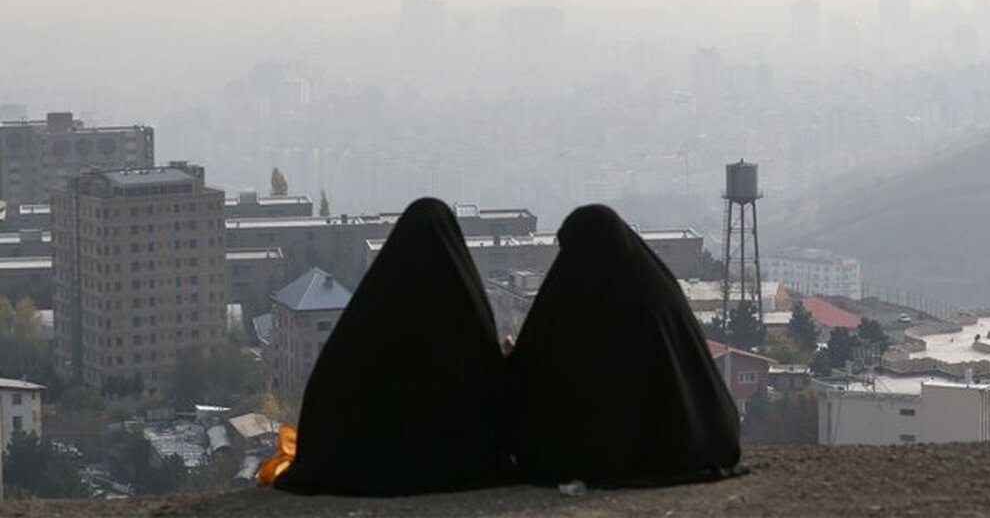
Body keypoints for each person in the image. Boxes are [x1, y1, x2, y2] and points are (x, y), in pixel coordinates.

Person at [273, 198, 510, 496]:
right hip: (454, 464)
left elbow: (325, 412)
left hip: (353, 467)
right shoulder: (465, 316)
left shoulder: (363, 324)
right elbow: (489, 401)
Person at [506, 204, 741, 486]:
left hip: (591, 452)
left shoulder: (568, 299)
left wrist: (513, 362)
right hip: (685, 442)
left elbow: (538, 381)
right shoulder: (659, 291)